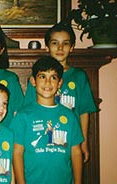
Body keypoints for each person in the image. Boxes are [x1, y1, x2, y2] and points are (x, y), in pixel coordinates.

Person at [12, 56, 83, 184]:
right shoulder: (23, 116)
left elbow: (76, 152)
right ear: (33, 81)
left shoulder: (69, 116)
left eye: (53, 78)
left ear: (60, 83)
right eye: (42, 77)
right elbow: (17, 152)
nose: (48, 82)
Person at [23, 22, 97, 162]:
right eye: (55, 43)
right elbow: (29, 110)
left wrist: (84, 142)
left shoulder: (79, 76)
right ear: (47, 46)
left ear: (72, 47)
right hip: (43, 140)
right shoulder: (38, 78)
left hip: (70, 138)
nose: (60, 48)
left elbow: (83, 112)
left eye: (66, 43)